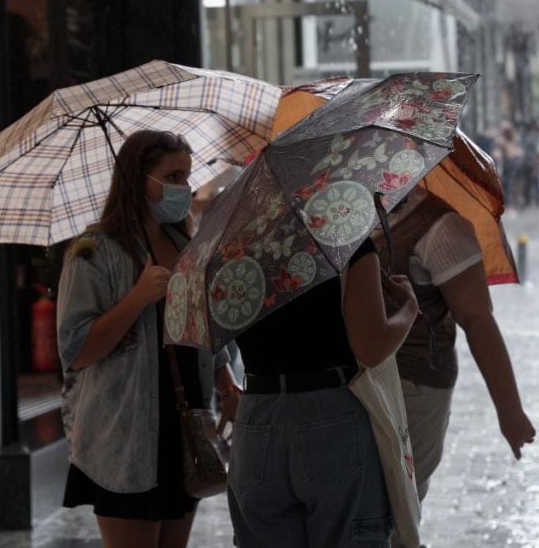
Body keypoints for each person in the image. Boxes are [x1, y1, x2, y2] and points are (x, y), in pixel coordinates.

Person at [57, 130, 241, 548]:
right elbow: (76, 349)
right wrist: (137, 298)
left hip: (187, 426)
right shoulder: (93, 252)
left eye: (187, 177)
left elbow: (202, 327)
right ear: (139, 178)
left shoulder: (185, 244)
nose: (184, 188)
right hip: (126, 435)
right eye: (173, 176)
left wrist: (225, 379)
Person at [227, 220, 420, 546]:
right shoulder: (344, 238)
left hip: (256, 420)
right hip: (331, 420)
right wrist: (409, 310)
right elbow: (371, 347)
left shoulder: (235, 242)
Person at [375, 187, 535, 527]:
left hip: (411, 386)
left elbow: (477, 322)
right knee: (379, 511)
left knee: (390, 508)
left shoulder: (437, 227)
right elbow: (478, 322)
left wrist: (510, 412)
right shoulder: (351, 214)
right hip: (364, 383)